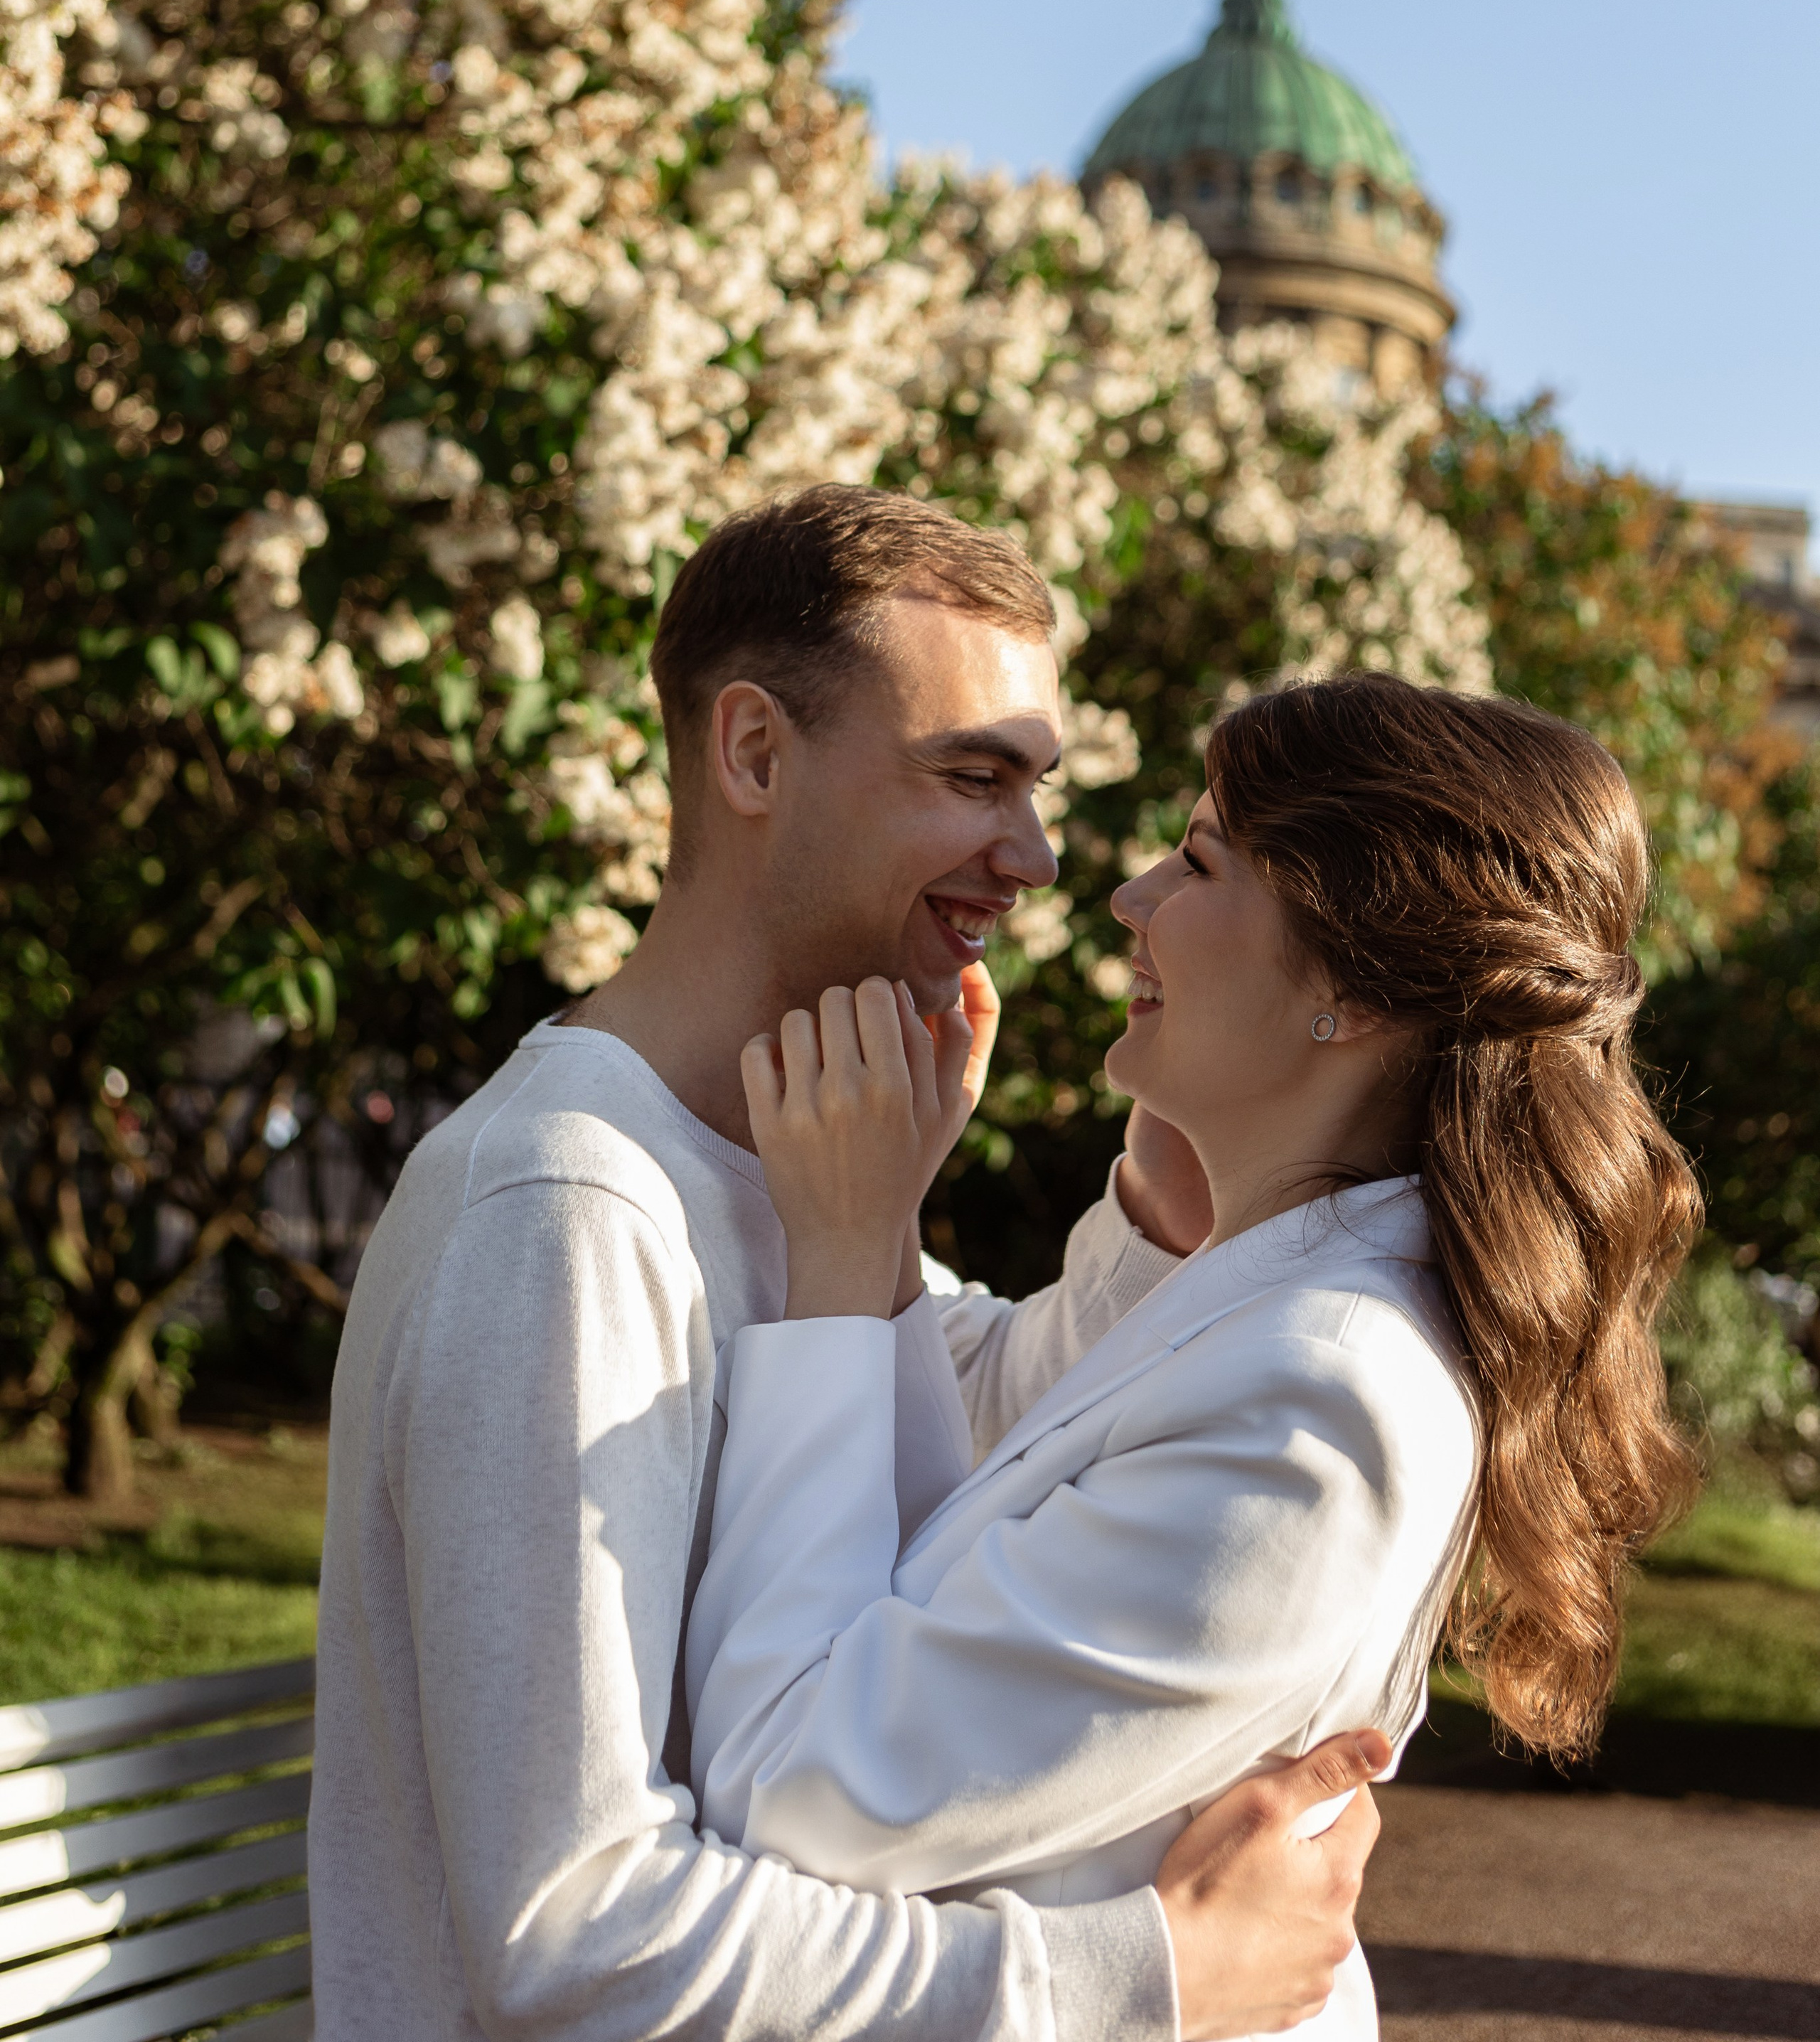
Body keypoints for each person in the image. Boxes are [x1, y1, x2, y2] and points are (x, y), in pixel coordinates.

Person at [310, 486, 1389, 2042]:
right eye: (973, 777)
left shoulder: (775, 1161)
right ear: (753, 754)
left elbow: (966, 1460)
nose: (1031, 858)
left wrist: (1147, 1194)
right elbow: (573, 1937)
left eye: (1037, 788)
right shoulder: (564, 1212)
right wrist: (1143, 1975)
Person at [682, 673, 1704, 2042]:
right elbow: (982, 1475)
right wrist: (1154, 1218)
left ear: (1346, 983)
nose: (1131, 897)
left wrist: (844, 1254)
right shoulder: (1278, 1303)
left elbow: (797, 1787)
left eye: (1203, 859)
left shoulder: (1327, 1401)